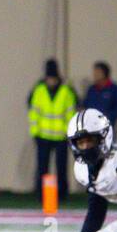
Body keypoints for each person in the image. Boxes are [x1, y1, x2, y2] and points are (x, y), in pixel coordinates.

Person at [28, 59, 77, 200]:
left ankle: (62, 194)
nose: (51, 81)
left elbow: (70, 113)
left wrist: (70, 132)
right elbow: (34, 113)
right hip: (43, 136)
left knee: (61, 168)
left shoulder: (66, 91)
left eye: (53, 78)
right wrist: (35, 132)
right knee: (42, 168)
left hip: (61, 136)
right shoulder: (39, 90)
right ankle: (41, 194)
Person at [83, 61, 117, 127]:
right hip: (91, 126)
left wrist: (108, 116)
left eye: (97, 72)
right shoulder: (91, 89)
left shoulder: (115, 89)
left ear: (104, 73)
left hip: (107, 126)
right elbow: (85, 104)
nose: (94, 74)